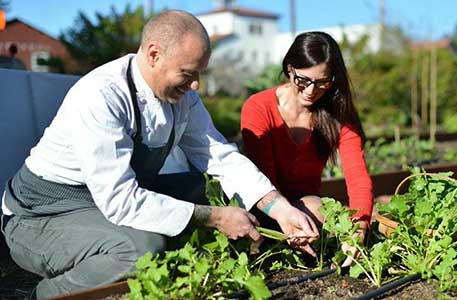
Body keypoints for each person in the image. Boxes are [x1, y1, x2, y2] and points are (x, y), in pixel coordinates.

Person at [0, 10, 318, 299]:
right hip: (42, 214)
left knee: (216, 190)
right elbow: (120, 200)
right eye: (188, 73)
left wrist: (279, 208)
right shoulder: (102, 95)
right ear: (153, 54)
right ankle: (38, 295)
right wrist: (216, 218)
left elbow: (219, 156)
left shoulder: (181, 97)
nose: (196, 85)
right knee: (139, 248)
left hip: (107, 201)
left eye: (200, 73)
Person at [241, 31, 374, 265]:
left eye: (323, 82)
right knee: (314, 213)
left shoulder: (338, 114)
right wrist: (286, 216)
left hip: (309, 206)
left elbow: (357, 176)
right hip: (267, 207)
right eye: (303, 80)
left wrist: (359, 227)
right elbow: (264, 180)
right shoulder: (259, 107)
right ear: (290, 69)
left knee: (319, 210)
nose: (311, 91)